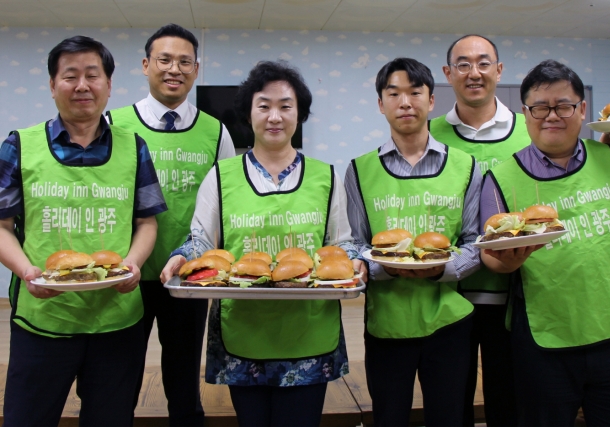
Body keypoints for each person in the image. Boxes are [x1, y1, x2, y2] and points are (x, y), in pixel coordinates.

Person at [160, 60, 366, 427]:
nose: (275, 116)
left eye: (286, 106)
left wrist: (357, 262)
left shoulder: (326, 176)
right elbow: (201, 242)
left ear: (299, 114)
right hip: (244, 333)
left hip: (310, 334)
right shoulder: (221, 177)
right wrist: (181, 258)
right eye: (264, 105)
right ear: (248, 113)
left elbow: (342, 244)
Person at [0, 36, 166, 426]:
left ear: (108, 84)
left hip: (117, 322)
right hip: (44, 318)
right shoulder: (19, 146)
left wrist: (133, 263)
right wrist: (26, 271)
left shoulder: (134, 147)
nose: (82, 86)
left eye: (93, 75)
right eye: (69, 76)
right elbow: (2, 227)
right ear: (52, 85)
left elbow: (147, 221)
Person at [480, 59, 610, 426]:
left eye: (563, 105)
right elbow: (490, 254)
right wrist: (508, 261)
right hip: (544, 339)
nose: (552, 115)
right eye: (540, 107)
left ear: (582, 110)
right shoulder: (501, 177)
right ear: (525, 114)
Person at [106, 23, 235, 427]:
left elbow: (228, 199)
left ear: (196, 69)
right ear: (146, 65)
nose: (173, 69)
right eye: (164, 60)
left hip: (187, 276)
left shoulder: (216, 131)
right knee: (118, 375)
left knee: (182, 375)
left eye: (184, 61)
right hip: (126, 274)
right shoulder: (114, 123)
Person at [344, 57, 481, 426]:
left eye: (415, 92)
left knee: (451, 418)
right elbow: (356, 244)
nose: (405, 102)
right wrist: (383, 268)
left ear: (431, 100)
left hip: (450, 323)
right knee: (389, 418)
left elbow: (474, 241)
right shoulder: (359, 169)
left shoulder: (466, 166)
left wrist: (443, 269)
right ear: (381, 104)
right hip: (387, 322)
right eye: (394, 93)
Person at [429, 34, 528, 426]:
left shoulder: (527, 130)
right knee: (451, 406)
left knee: (510, 402)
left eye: (484, 63)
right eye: (464, 64)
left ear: (499, 71)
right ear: (448, 74)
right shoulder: (429, 132)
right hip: (448, 295)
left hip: (517, 295)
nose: (475, 73)